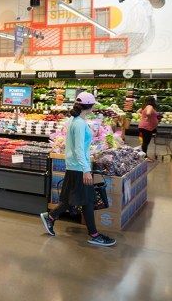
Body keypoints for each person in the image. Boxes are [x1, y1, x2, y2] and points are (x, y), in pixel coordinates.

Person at [40, 92, 116, 247]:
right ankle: (94, 234)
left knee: (72, 199)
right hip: (79, 168)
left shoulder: (75, 120)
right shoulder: (80, 124)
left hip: (74, 166)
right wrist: (86, 170)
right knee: (87, 200)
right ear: (90, 106)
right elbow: (79, 149)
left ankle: (51, 217)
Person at [138, 96, 158, 161]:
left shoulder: (145, 106)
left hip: (145, 127)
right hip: (146, 127)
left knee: (145, 142)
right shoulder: (150, 106)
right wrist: (148, 118)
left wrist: (142, 117)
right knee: (145, 142)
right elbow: (148, 113)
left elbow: (138, 111)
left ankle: (143, 155)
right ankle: (144, 157)